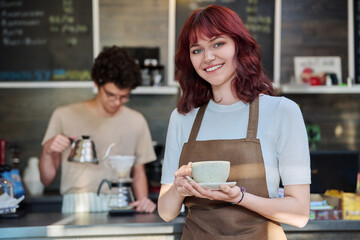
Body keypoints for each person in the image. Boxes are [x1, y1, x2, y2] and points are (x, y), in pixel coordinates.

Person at [158, 5, 310, 239]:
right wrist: (177, 189)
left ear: (239, 45)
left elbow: (299, 214)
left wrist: (240, 197)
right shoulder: (182, 118)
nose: (208, 57)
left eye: (218, 43)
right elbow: (166, 212)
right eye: (197, 50)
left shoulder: (282, 111)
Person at [39, 46, 157, 214]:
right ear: (96, 84)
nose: (117, 102)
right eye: (111, 94)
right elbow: (46, 179)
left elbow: (139, 173)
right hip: (77, 205)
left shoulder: (136, 121)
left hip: (121, 205)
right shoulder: (64, 115)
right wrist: (47, 150)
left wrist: (143, 200)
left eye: (124, 97)